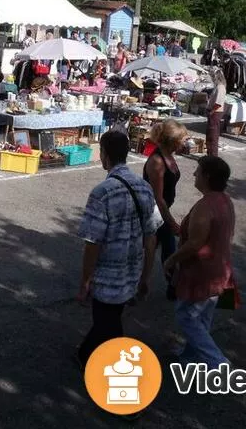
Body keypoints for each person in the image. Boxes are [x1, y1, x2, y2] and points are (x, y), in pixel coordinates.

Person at [76, 131, 157, 369]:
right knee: (109, 320)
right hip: (131, 271)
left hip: (108, 276)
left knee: (107, 324)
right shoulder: (144, 188)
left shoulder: (102, 192)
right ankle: (87, 355)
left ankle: (106, 365)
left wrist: (85, 280)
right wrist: (145, 276)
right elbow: (151, 237)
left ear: (105, 156)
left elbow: (93, 242)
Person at [164, 156, 235, 369]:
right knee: (203, 316)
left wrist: (171, 260)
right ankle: (192, 355)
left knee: (186, 316)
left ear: (208, 176)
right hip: (219, 268)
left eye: (198, 170)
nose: (194, 174)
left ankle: (217, 361)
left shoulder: (206, 206)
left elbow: (195, 243)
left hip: (202, 271)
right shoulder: (224, 200)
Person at [143, 120, 188, 301]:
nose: (186, 142)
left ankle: (164, 285)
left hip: (163, 209)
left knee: (159, 248)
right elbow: (158, 198)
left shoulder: (169, 154)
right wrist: (171, 222)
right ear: (173, 141)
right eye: (183, 139)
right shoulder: (157, 162)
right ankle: (171, 286)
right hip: (154, 211)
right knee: (166, 248)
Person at [206, 69, 227, 157]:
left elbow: (218, 103)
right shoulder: (218, 86)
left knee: (213, 136)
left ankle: (213, 156)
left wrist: (211, 112)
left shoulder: (220, 87)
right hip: (213, 112)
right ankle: (210, 154)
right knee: (210, 134)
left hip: (215, 112)